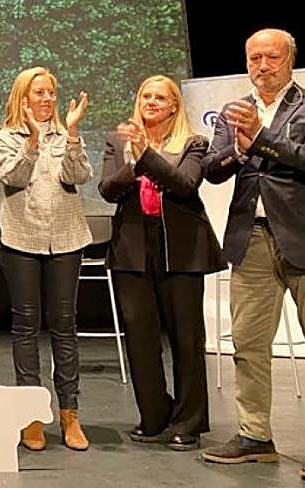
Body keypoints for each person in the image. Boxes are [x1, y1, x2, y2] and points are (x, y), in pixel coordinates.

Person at [201, 29, 305, 482]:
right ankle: (254, 436)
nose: (262, 65)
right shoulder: (233, 113)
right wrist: (235, 148)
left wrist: (260, 139)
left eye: (271, 56)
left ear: (290, 60)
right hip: (253, 238)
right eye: (253, 58)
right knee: (248, 345)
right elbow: (211, 169)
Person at [98, 75, 221, 452]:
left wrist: (145, 155)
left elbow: (184, 184)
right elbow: (108, 190)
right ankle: (154, 416)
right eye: (146, 96)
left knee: (186, 338)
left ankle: (189, 421)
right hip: (133, 248)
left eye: (160, 97)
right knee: (140, 337)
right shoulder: (119, 142)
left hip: (182, 249)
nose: (151, 102)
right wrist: (133, 157)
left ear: (173, 106)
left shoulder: (194, 142)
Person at [0, 66, 92, 451]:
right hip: (20, 239)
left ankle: (70, 415)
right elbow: (13, 177)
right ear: (23, 98)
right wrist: (32, 140)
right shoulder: (4, 136)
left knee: (64, 326)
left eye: (51, 92)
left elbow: (79, 175)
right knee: (26, 326)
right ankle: (31, 415)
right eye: (39, 93)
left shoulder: (66, 134)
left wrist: (74, 133)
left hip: (66, 238)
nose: (47, 98)